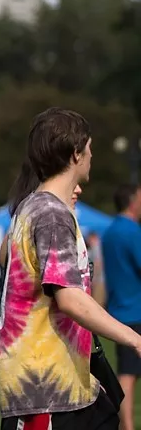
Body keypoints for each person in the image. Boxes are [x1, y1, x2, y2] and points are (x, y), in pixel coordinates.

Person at [0, 107, 141, 430]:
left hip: (61, 385)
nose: (92, 155)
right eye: (89, 148)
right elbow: (70, 298)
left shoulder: (34, 208)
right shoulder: (50, 214)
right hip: (46, 388)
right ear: (75, 153)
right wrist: (134, 339)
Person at [101, 183, 141, 430]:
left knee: (127, 370)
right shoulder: (132, 231)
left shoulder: (110, 231)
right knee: (128, 374)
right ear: (132, 201)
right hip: (135, 310)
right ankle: (126, 426)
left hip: (119, 309)